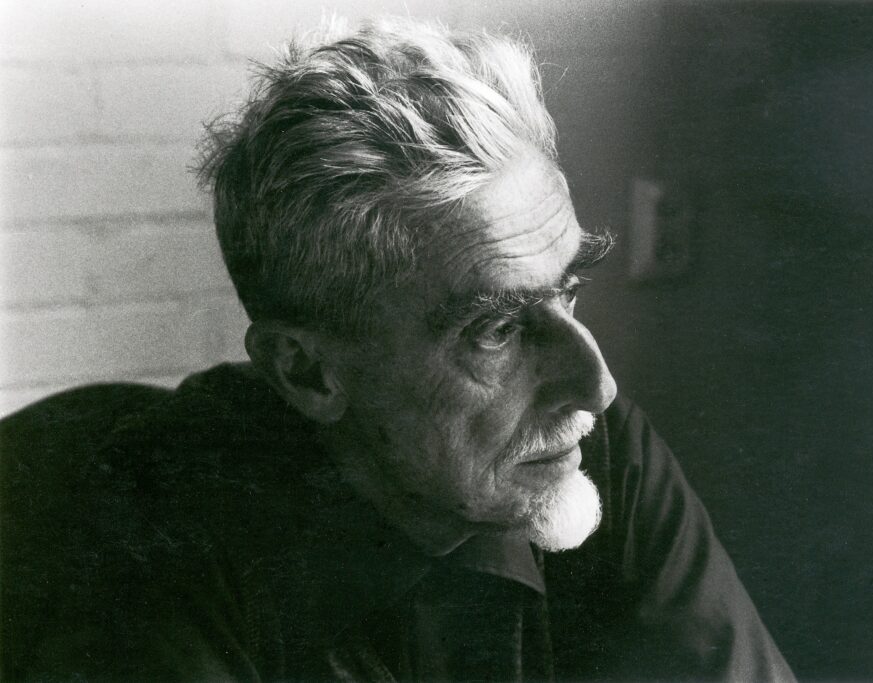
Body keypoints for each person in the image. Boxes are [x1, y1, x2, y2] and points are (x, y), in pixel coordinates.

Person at [4, 17, 794, 682]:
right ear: (307, 372)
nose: (596, 385)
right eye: (495, 329)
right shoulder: (153, 543)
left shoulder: (593, 456)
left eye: (569, 289)